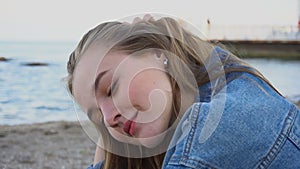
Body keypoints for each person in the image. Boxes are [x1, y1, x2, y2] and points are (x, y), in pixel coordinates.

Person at [66, 14, 300, 169]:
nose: (109, 118)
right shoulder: (233, 84)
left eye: (111, 87)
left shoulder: (216, 130)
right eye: (97, 115)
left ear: (158, 53)